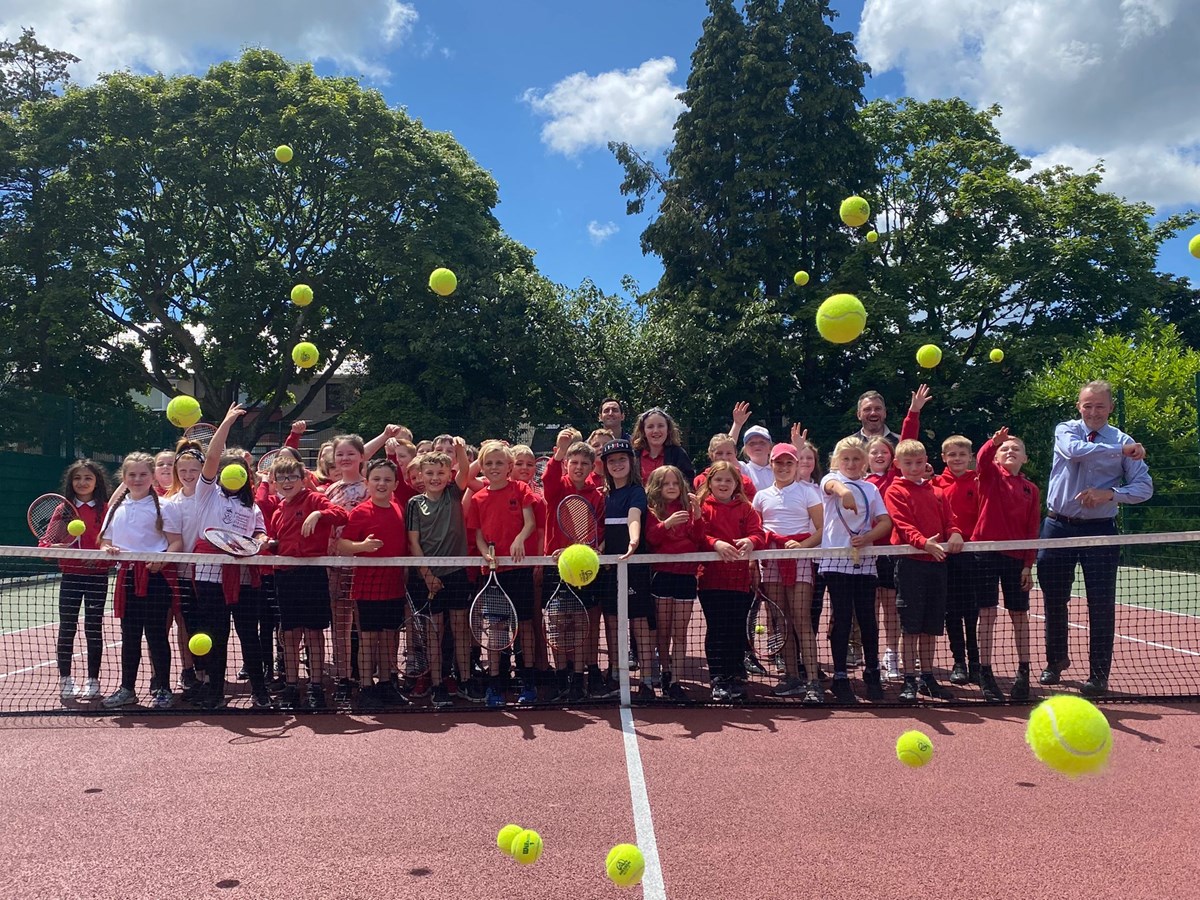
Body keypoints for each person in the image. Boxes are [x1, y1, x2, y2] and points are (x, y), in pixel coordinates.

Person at [1037, 380, 1152, 697]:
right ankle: (1055, 661)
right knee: (1054, 599)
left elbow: (1144, 488)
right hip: (1057, 526)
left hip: (1100, 530)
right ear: (1079, 407)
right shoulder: (1066, 430)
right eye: (1088, 405)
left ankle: (1099, 674)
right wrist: (1121, 450)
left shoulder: (1124, 441)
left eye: (1100, 405)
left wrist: (1109, 494)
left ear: (1111, 408)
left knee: (1101, 605)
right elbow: (1075, 452)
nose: (1093, 411)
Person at [187, 405, 269, 709]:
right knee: (216, 636)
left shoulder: (253, 507)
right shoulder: (207, 493)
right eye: (227, 470)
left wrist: (260, 543)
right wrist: (228, 421)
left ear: (248, 478)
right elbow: (211, 456)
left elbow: (260, 534)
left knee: (250, 635)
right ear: (220, 474)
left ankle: (260, 692)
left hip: (245, 577)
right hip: (209, 576)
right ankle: (215, 693)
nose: (235, 475)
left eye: (242, 472)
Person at [99, 452, 183, 709]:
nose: (137, 479)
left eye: (143, 474)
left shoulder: (166, 506)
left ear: (152, 476)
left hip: (156, 579)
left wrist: (162, 561)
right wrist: (106, 549)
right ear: (123, 478)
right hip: (126, 578)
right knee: (130, 636)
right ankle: (127, 689)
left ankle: (164, 689)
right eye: (132, 475)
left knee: (157, 635)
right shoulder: (117, 508)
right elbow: (105, 541)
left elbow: (176, 543)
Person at [883, 439, 964, 703]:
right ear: (898, 465)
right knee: (911, 626)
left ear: (927, 461)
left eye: (919, 462)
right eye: (909, 463)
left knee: (931, 626)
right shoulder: (895, 491)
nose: (915, 467)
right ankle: (909, 680)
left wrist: (955, 533)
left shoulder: (937, 491)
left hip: (937, 565)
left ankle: (927, 677)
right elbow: (903, 524)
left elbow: (951, 520)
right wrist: (924, 543)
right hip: (910, 565)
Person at [269, 454, 350, 709]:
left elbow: (341, 515)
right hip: (285, 577)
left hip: (312, 576)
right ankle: (292, 687)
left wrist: (317, 514)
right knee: (290, 635)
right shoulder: (278, 511)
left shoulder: (315, 498)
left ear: (303, 479)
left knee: (314, 634)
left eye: (292, 476)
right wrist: (268, 544)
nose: (286, 481)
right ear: (275, 481)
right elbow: (275, 542)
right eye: (281, 477)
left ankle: (316, 687)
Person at [819, 437, 892, 704]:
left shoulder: (871, 489)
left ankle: (872, 672)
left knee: (868, 620)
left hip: (864, 565)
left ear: (865, 462)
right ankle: (840, 676)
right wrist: (844, 491)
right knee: (842, 618)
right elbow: (832, 485)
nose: (851, 463)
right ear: (837, 460)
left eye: (856, 459)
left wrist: (869, 536)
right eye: (846, 459)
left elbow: (885, 521)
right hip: (835, 563)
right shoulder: (829, 479)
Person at [466, 440, 538, 708]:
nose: (494, 467)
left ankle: (527, 682)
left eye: (499, 463)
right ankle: (495, 683)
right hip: (492, 574)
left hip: (519, 571)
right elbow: (478, 536)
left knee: (525, 627)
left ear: (509, 466)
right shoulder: (478, 498)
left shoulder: (520, 489)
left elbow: (530, 522)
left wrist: (519, 538)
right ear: (482, 466)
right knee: (496, 628)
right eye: (489, 463)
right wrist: (485, 553)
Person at [752, 442, 824, 703]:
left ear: (796, 465)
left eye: (788, 463)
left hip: (799, 561)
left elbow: (821, 530)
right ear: (771, 464)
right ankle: (792, 677)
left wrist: (801, 545)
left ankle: (813, 681)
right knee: (781, 622)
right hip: (771, 562)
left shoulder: (808, 493)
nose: (783, 467)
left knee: (801, 620)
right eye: (778, 462)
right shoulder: (761, 496)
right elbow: (757, 531)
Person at [972, 427, 1040, 702]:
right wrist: (992, 442)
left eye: (1015, 449)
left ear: (1025, 458)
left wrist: (1027, 565)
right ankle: (985, 673)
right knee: (987, 614)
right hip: (985, 554)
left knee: (1019, 615)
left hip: (1015, 560)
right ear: (997, 457)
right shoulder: (989, 476)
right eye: (1004, 449)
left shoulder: (1031, 489)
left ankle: (1023, 673)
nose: (1009, 451)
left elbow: (1032, 529)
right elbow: (981, 460)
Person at [541, 430, 607, 701]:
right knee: (557, 624)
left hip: (584, 571)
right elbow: (547, 478)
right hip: (555, 568)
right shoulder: (557, 488)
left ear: (592, 467)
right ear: (567, 463)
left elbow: (600, 533)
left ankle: (579, 678)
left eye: (584, 464)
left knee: (581, 625)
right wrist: (560, 450)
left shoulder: (598, 496)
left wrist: (592, 552)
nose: (578, 468)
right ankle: (561, 676)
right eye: (574, 462)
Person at [339, 458, 409, 710]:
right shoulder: (359, 512)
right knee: (368, 640)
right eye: (376, 479)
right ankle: (366, 688)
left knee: (389, 639)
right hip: (367, 588)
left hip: (394, 586)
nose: (382, 483)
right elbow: (342, 544)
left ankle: (387, 684)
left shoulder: (400, 507)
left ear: (395, 484)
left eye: (387, 479)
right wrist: (362, 547)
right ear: (367, 483)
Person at [407, 443, 473, 708]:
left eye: (440, 473)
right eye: (430, 473)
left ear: (448, 475)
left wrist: (458, 450)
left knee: (459, 629)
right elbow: (414, 543)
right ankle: (436, 685)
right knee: (435, 632)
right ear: (421, 476)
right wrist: (427, 574)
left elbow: (466, 471)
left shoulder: (453, 494)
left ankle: (465, 680)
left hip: (456, 572)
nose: (435, 477)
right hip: (430, 577)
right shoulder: (414, 504)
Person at [695, 461, 766, 702]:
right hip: (711, 581)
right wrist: (715, 543)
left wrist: (752, 541)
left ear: (737, 484)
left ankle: (735, 675)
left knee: (736, 629)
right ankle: (718, 678)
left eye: (729, 480)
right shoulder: (703, 508)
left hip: (739, 581)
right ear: (710, 483)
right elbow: (698, 535)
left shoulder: (746, 509)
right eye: (719, 480)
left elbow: (759, 533)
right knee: (717, 629)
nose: (723, 484)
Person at [42, 460, 111, 702]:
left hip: (97, 579)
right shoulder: (63, 509)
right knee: (67, 628)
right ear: (71, 482)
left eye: (87, 478)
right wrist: (56, 547)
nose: (82, 483)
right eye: (77, 478)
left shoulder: (105, 509)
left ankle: (92, 680)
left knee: (93, 629)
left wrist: (102, 558)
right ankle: (66, 680)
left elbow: (111, 541)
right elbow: (46, 543)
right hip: (70, 578)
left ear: (96, 482)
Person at [596, 438, 654, 698]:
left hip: (634, 567)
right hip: (610, 569)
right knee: (611, 621)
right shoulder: (605, 496)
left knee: (639, 621)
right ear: (605, 466)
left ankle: (648, 680)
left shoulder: (636, 492)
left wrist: (634, 540)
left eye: (622, 459)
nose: (617, 464)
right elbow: (609, 530)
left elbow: (633, 518)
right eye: (611, 461)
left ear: (631, 462)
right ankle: (616, 673)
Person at [644, 465, 703, 702]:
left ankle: (675, 679)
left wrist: (697, 516)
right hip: (662, 576)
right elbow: (651, 539)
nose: (671, 487)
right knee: (663, 631)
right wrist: (665, 524)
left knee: (680, 632)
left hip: (686, 577)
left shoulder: (688, 509)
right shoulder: (652, 511)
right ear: (658, 487)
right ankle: (664, 670)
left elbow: (698, 539)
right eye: (666, 483)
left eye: (675, 483)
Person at [933, 435, 981, 686]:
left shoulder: (980, 482)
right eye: (952, 455)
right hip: (945, 557)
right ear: (944, 458)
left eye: (962, 454)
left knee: (973, 612)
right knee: (951, 613)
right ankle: (959, 662)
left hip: (972, 557)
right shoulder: (935, 484)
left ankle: (976, 662)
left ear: (970, 457)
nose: (957, 459)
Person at [632, 407, 695, 485]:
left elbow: (687, 483)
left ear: (668, 430)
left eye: (660, 426)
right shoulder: (633, 456)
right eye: (650, 427)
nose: (656, 431)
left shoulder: (678, 454)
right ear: (643, 431)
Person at [728, 402, 774, 491]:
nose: (757, 445)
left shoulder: (778, 469)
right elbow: (727, 450)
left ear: (770, 447)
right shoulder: (744, 469)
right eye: (752, 443)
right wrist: (737, 425)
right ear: (745, 449)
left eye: (762, 442)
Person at [695, 433, 757, 499]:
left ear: (735, 453)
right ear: (710, 454)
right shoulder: (700, 480)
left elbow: (752, 507)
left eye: (729, 453)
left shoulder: (746, 482)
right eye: (719, 453)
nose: (724, 457)